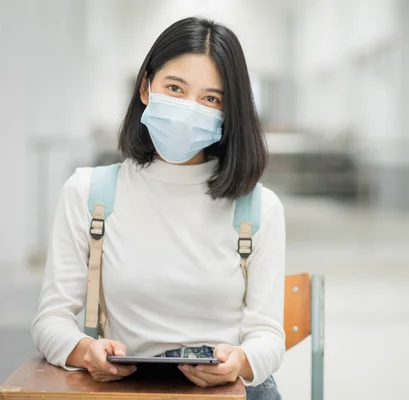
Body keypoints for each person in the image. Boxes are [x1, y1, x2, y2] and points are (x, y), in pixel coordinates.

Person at [31, 17, 285, 400]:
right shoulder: (90, 192)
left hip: (230, 393)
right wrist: (86, 352)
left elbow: (268, 337)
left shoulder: (259, 207)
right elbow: (51, 321)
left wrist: (242, 361)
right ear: (146, 87)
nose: (189, 108)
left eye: (210, 99)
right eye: (175, 88)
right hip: (129, 389)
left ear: (228, 112)